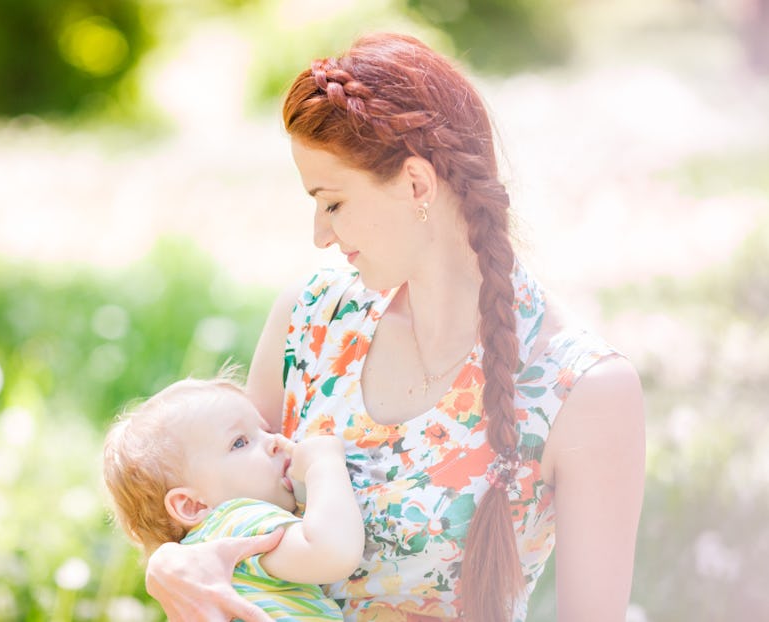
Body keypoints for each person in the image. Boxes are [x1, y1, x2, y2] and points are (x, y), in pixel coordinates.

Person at [145, 32, 646, 622]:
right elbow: (212, 515)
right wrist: (164, 565)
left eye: (332, 203)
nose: (320, 235)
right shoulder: (310, 321)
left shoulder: (583, 389)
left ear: (416, 184)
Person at [102, 370, 364, 621]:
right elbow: (331, 553)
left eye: (265, 430)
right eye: (240, 442)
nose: (275, 440)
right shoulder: (237, 521)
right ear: (192, 505)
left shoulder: (207, 547)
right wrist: (323, 464)